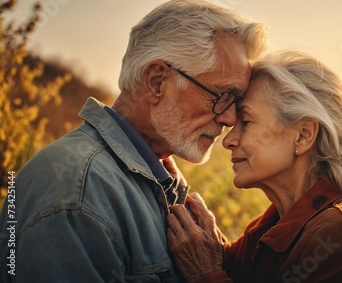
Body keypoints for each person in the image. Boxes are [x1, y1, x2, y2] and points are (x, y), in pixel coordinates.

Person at [0, 0, 267, 282]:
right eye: (221, 96)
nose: (228, 119)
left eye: (236, 102)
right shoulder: (75, 195)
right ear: (156, 82)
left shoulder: (149, 179)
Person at [166, 51, 342, 283]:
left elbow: (214, 273)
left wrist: (205, 277)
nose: (228, 141)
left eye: (246, 122)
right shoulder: (274, 225)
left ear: (303, 136)